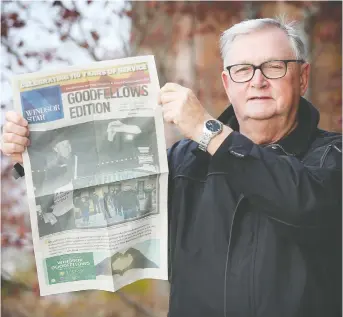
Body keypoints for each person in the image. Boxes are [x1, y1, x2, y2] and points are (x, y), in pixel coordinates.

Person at [1, 17, 342, 317]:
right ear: (227, 83)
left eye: (274, 66)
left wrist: (209, 131)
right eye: (243, 70)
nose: (257, 81)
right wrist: (35, 158)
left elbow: (304, 204)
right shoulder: (186, 162)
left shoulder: (331, 155)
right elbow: (108, 213)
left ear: (302, 77)